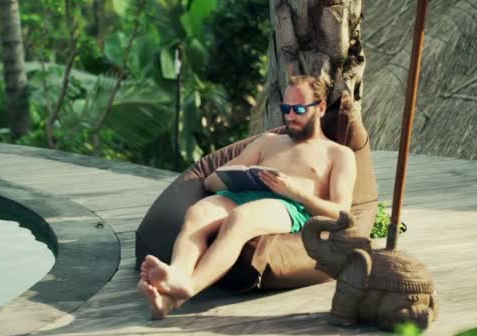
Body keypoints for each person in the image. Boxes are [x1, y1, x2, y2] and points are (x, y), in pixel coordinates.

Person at [137, 75, 357, 319]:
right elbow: (211, 180)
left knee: (241, 219)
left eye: (299, 109)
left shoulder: (339, 154)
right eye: (286, 108)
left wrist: (296, 191)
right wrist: (235, 177)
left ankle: (189, 287)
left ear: (322, 108)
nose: (291, 116)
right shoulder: (268, 141)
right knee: (198, 212)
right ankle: (173, 286)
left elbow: (342, 213)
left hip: (290, 204)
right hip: (241, 194)